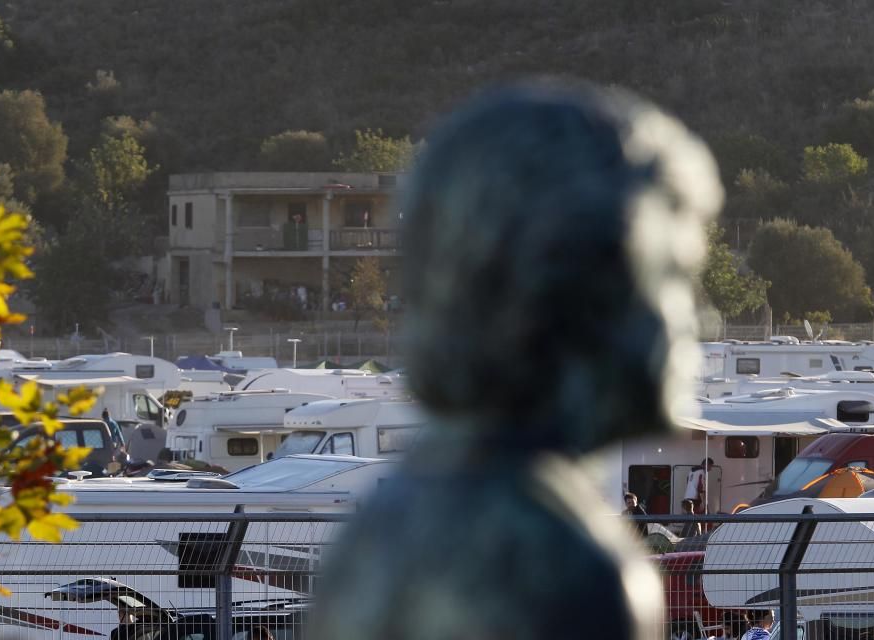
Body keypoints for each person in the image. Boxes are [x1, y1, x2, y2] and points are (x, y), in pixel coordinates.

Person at [308, 80, 722, 640]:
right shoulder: (574, 570)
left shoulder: (379, 531)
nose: (702, 321)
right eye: (673, 275)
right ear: (581, 291)